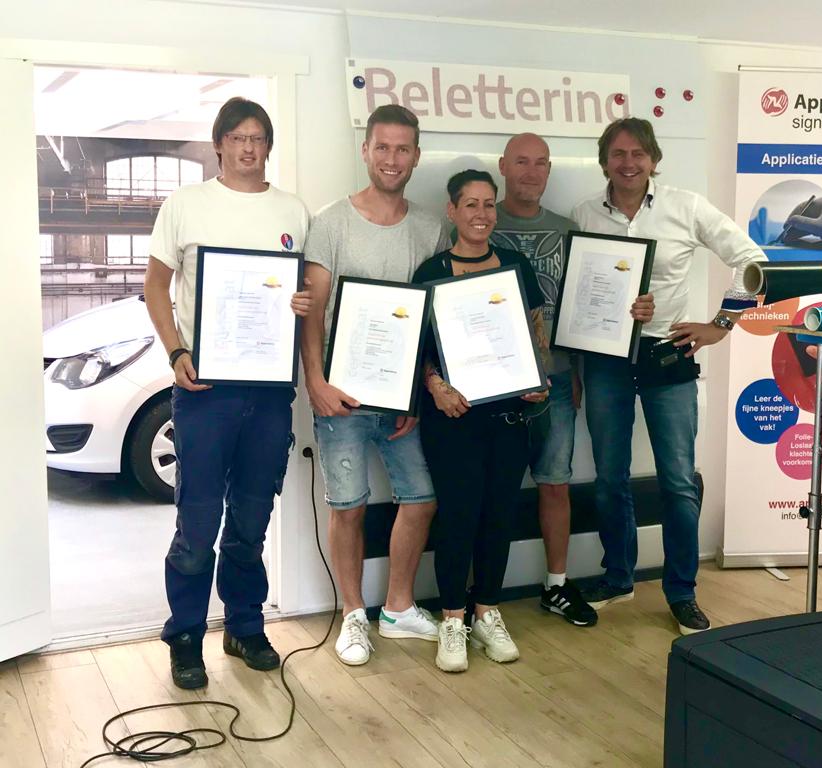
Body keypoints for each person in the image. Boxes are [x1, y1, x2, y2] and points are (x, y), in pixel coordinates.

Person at [144, 97, 312, 689]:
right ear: (219, 145)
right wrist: (175, 353)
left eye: (257, 138)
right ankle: (186, 636)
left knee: (251, 518)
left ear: (268, 146)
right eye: (237, 137)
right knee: (197, 522)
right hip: (204, 390)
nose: (248, 147)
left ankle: (244, 626)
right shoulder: (186, 205)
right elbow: (155, 286)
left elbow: (302, 293)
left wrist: (302, 302)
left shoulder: (292, 211)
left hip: (268, 393)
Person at [572, 117, 764, 635]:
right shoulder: (585, 213)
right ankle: (618, 577)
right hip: (606, 357)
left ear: (654, 159)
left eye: (638, 153)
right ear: (604, 161)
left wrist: (721, 325)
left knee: (678, 481)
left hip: (668, 352)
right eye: (618, 153)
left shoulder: (687, 206)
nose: (628, 163)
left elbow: (752, 260)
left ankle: (682, 591)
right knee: (609, 478)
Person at [300, 105, 449, 666]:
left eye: (402, 148)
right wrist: (315, 381)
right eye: (382, 147)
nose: (392, 158)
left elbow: (431, 318)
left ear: (416, 156)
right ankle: (352, 616)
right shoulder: (330, 222)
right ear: (365, 151)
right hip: (341, 395)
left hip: (401, 398)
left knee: (421, 498)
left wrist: (416, 391)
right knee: (348, 507)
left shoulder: (431, 227)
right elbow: (313, 309)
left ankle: (398, 607)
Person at [415, 170, 549, 672]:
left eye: (489, 204)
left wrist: (539, 377)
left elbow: (535, 332)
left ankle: (487, 611)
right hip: (453, 415)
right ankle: (453, 618)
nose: (481, 214)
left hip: (508, 414)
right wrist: (437, 387)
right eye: (470, 204)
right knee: (458, 515)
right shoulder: (431, 270)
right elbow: (418, 348)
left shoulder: (516, 265)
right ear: (451, 211)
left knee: (499, 515)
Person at [490, 132, 597, 627]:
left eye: (540, 163)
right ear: (503, 166)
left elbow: (581, 307)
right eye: (521, 162)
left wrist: (575, 370)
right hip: (495, 387)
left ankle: (556, 586)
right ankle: (482, 596)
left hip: (556, 381)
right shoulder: (480, 222)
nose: (530, 172)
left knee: (556, 483)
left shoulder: (568, 230)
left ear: (550, 170)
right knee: (494, 490)